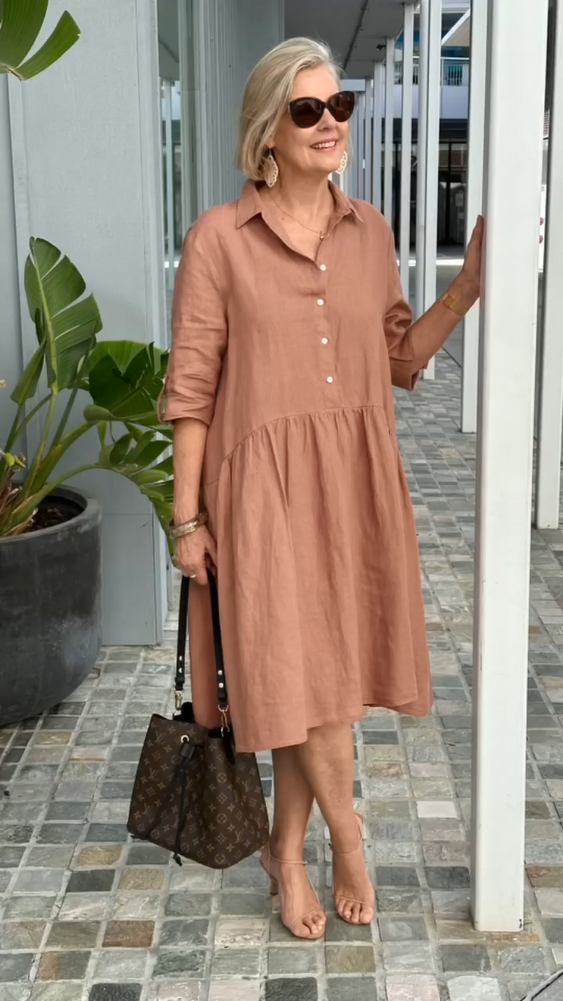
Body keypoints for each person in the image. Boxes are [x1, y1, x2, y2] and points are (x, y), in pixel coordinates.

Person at [162, 37, 483, 940]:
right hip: (261, 491)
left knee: (319, 679)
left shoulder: (369, 231)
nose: (329, 122)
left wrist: (464, 288)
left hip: (351, 483)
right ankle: (347, 837)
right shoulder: (218, 239)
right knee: (297, 673)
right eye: (307, 110)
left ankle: (284, 849)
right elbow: (190, 391)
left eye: (337, 104)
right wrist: (186, 521)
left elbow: (398, 358)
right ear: (267, 129)